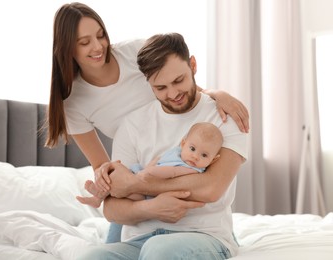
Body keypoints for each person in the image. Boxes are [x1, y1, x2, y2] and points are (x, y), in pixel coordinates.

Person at [45, 2, 249, 244]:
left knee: (192, 228)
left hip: (177, 159)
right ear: (67, 48)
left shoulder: (134, 52)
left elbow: (179, 85)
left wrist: (217, 93)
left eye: (101, 35)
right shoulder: (73, 103)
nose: (98, 46)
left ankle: (218, 238)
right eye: (84, 42)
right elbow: (107, 168)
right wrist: (117, 193)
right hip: (139, 177)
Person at [76, 33, 248, 260]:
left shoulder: (224, 114)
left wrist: (136, 183)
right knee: (90, 257)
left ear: (193, 65)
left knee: (158, 251)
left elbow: (211, 188)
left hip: (203, 235)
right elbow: (112, 209)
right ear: (148, 83)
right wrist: (151, 207)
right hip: (138, 240)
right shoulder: (132, 125)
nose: (173, 94)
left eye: (179, 81)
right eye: (161, 87)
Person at [81, 122, 223, 208]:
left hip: (149, 192)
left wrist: (147, 173)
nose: (195, 156)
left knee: (129, 193)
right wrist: (147, 168)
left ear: (213, 160)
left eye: (204, 155)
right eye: (192, 149)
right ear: (183, 143)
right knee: (116, 170)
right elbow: (158, 158)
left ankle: (99, 197)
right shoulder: (178, 152)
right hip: (144, 173)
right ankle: (98, 197)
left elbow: (172, 173)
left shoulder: (192, 169)